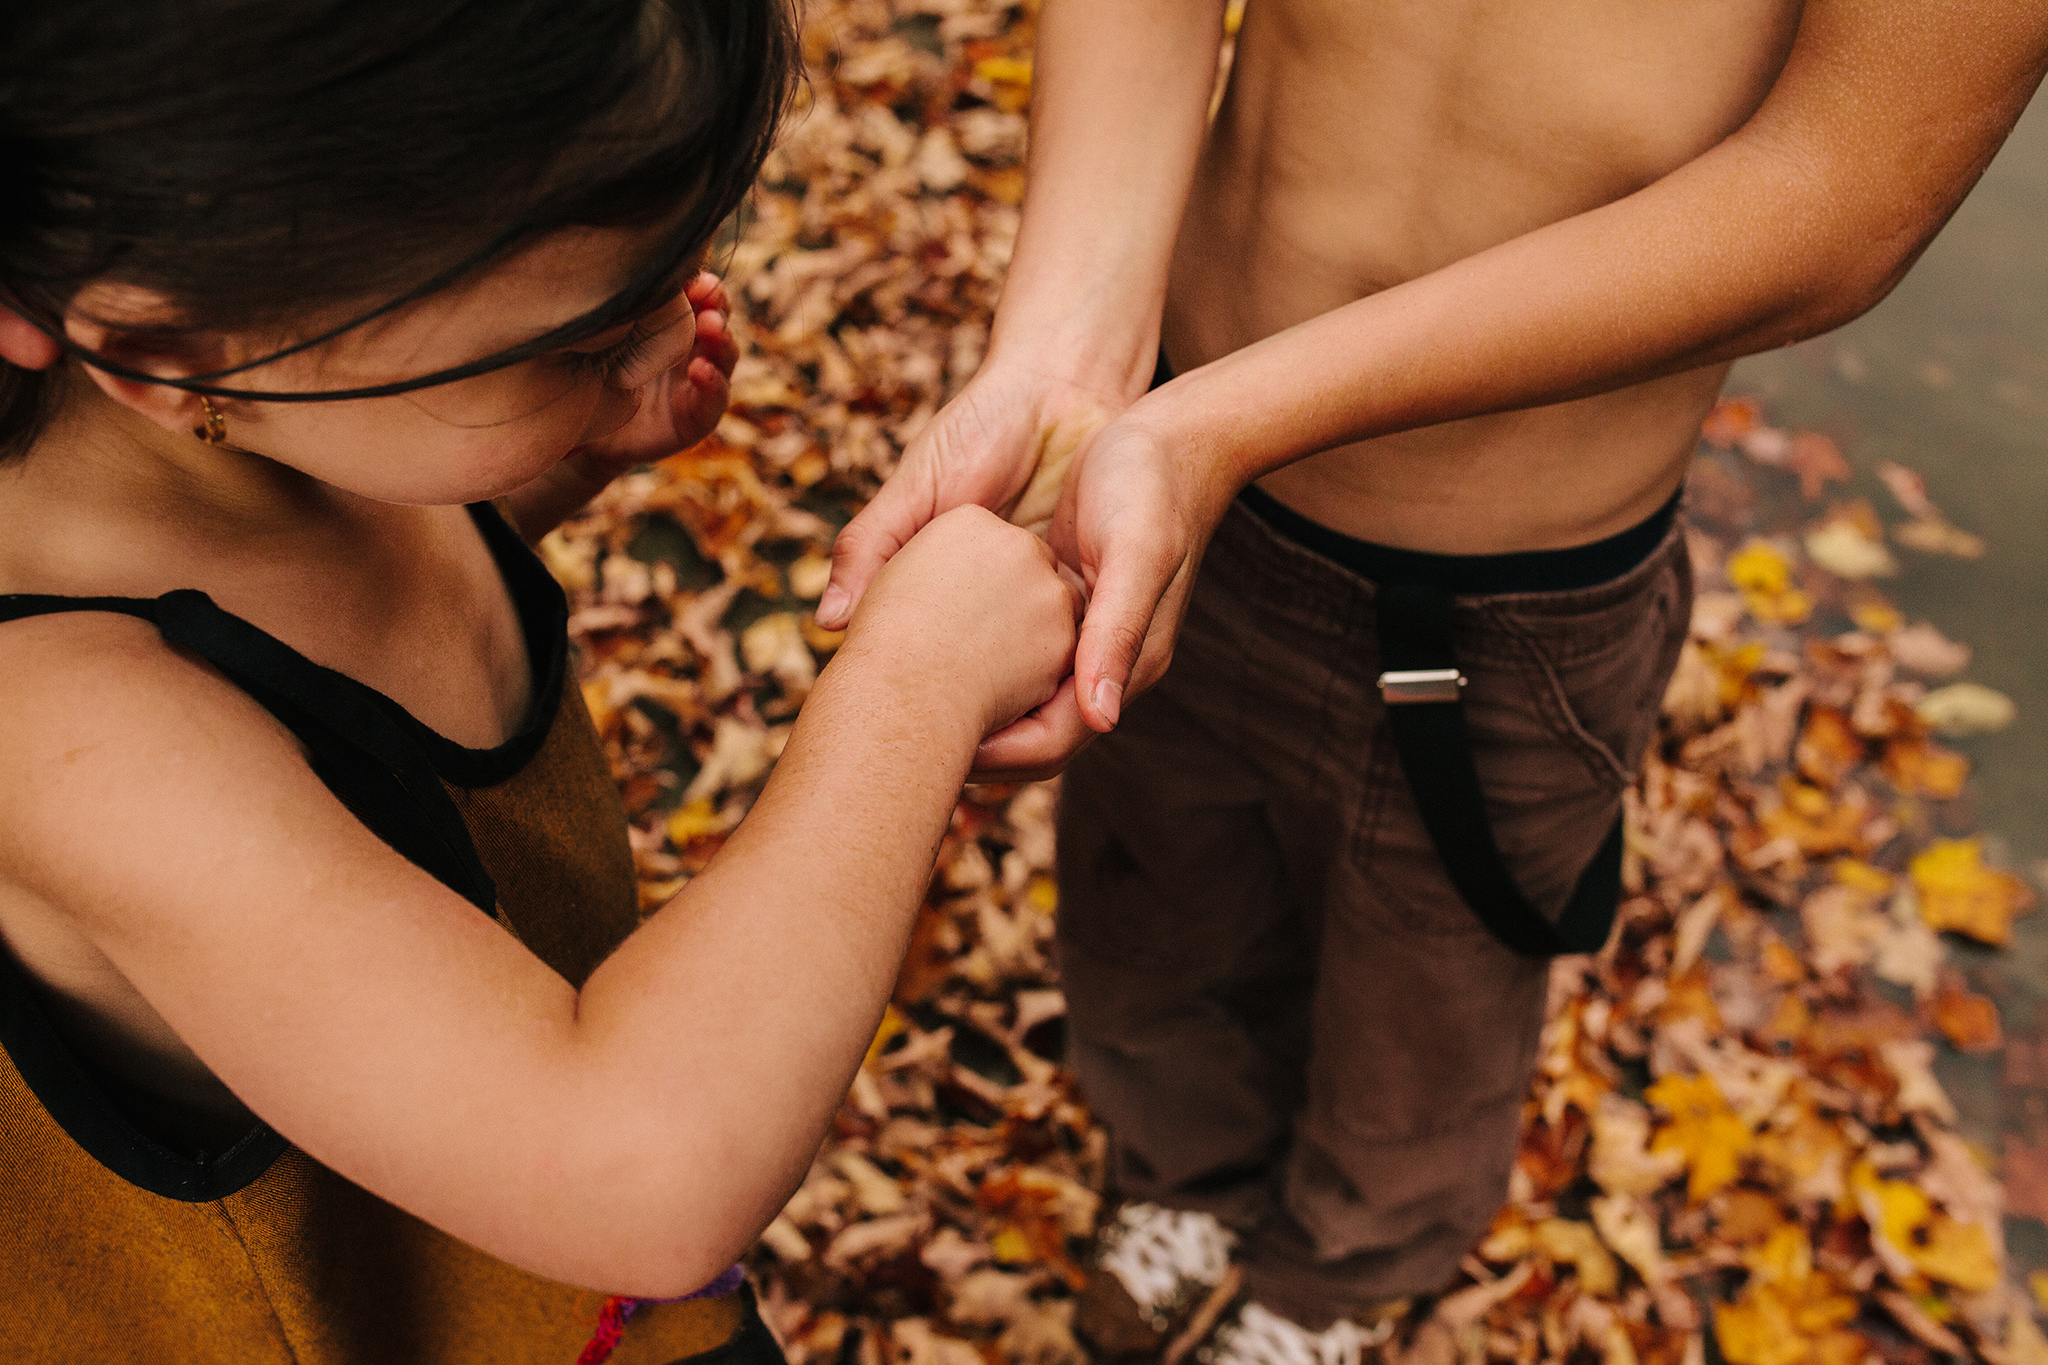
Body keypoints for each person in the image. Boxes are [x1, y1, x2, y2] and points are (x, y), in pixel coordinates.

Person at [818, 0, 2048, 1357]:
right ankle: (1184, 1180)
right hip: (1166, 485)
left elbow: (1841, 197)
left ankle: (1334, 1280)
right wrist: (1066, 360)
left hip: (1503, 606)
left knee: (1424, 1016)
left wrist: (1223, 420)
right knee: (1157, 896)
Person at [0, 4, 1080, 1362]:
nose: (660, 337)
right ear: (176, 358)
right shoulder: (67, 731)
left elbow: (338, 695)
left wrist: (550, 471)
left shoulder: (289, 422)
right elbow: (640, 1167)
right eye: (579, 341)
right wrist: (917, 677)